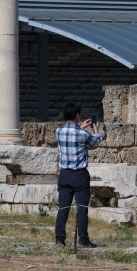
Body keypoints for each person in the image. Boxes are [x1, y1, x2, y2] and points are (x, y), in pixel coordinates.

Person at [55, 103, 103, 248]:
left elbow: (70, 135)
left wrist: (79, 126)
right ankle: (83, 239)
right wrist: (96, 131)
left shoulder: (58, 131)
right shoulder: (83, 134)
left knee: (63, 208)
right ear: (77, 116)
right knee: (82, 208)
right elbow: (95, 143)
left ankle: (59, 239)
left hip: (64, 174)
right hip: (80, 175)